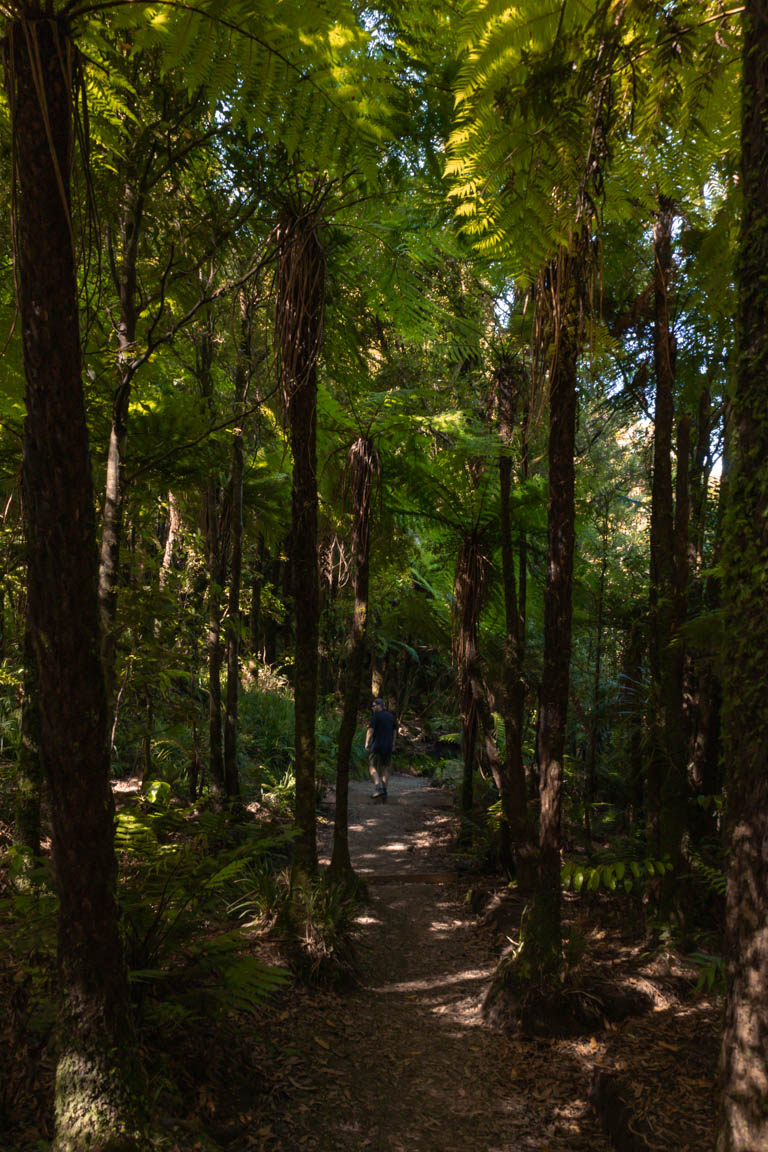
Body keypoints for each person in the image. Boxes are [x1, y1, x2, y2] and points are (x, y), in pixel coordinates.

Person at [366, 698, 395, 801]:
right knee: (385, 769)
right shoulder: (391, 717)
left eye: (374, 706)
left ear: (380, 706)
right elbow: (394, 731)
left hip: (376, 746)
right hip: (388, 747)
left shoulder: (376, 717)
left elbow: (370, 730)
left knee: (372, 767)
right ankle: (385, 792)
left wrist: (366, 742)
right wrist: (393, 743)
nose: (372, 708)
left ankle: (378, 788)